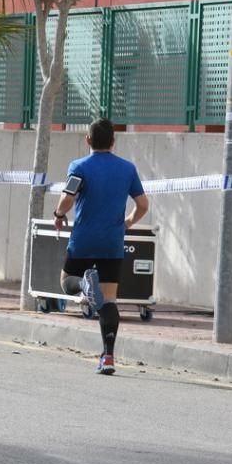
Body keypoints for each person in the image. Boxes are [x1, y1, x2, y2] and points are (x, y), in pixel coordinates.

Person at [52, 117, 149, 376]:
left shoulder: (79, 166)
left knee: (66, 281)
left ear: (88, 140)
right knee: (108, 300)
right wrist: (127, 223)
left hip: (84, 239)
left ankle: (84, 285)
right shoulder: (127, 169)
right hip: (112, 242)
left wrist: (59, 215)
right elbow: (143, 205)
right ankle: (108, 356)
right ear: (113, 142)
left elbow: (67, 198)